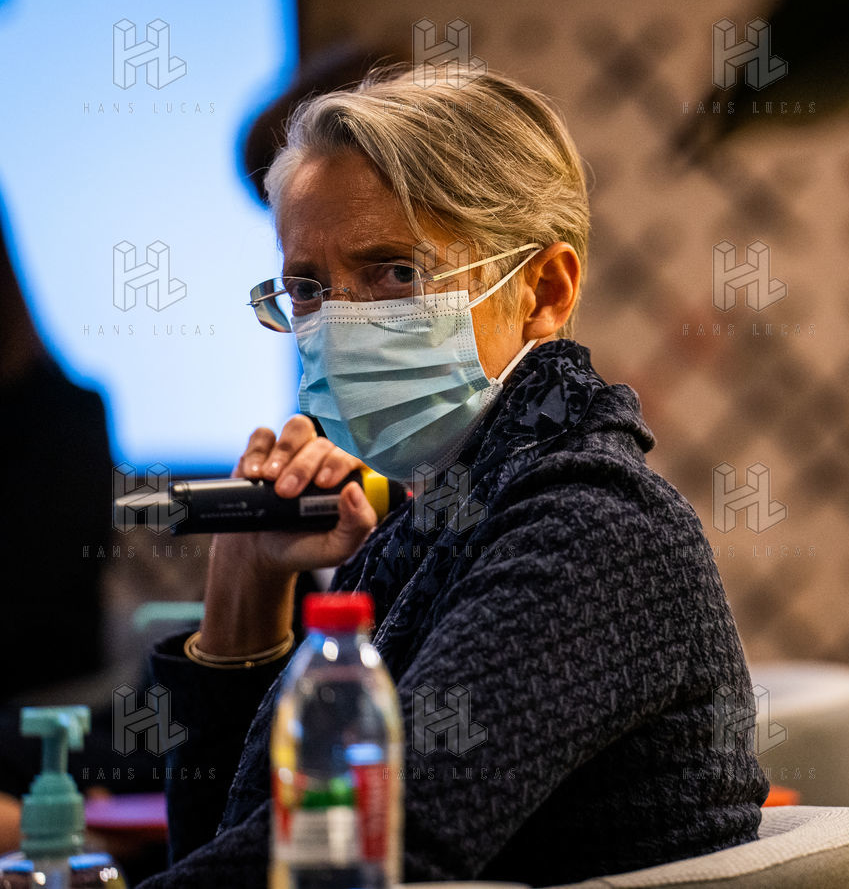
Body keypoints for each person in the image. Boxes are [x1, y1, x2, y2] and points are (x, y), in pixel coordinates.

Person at [137, 66, 769, 886]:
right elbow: (237, 840)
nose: (341, 322)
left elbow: (374, 845)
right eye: (308, 288)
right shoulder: (435, 520)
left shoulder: (595, 528)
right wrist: (246, 579)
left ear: (544, 291)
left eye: (396, 272)